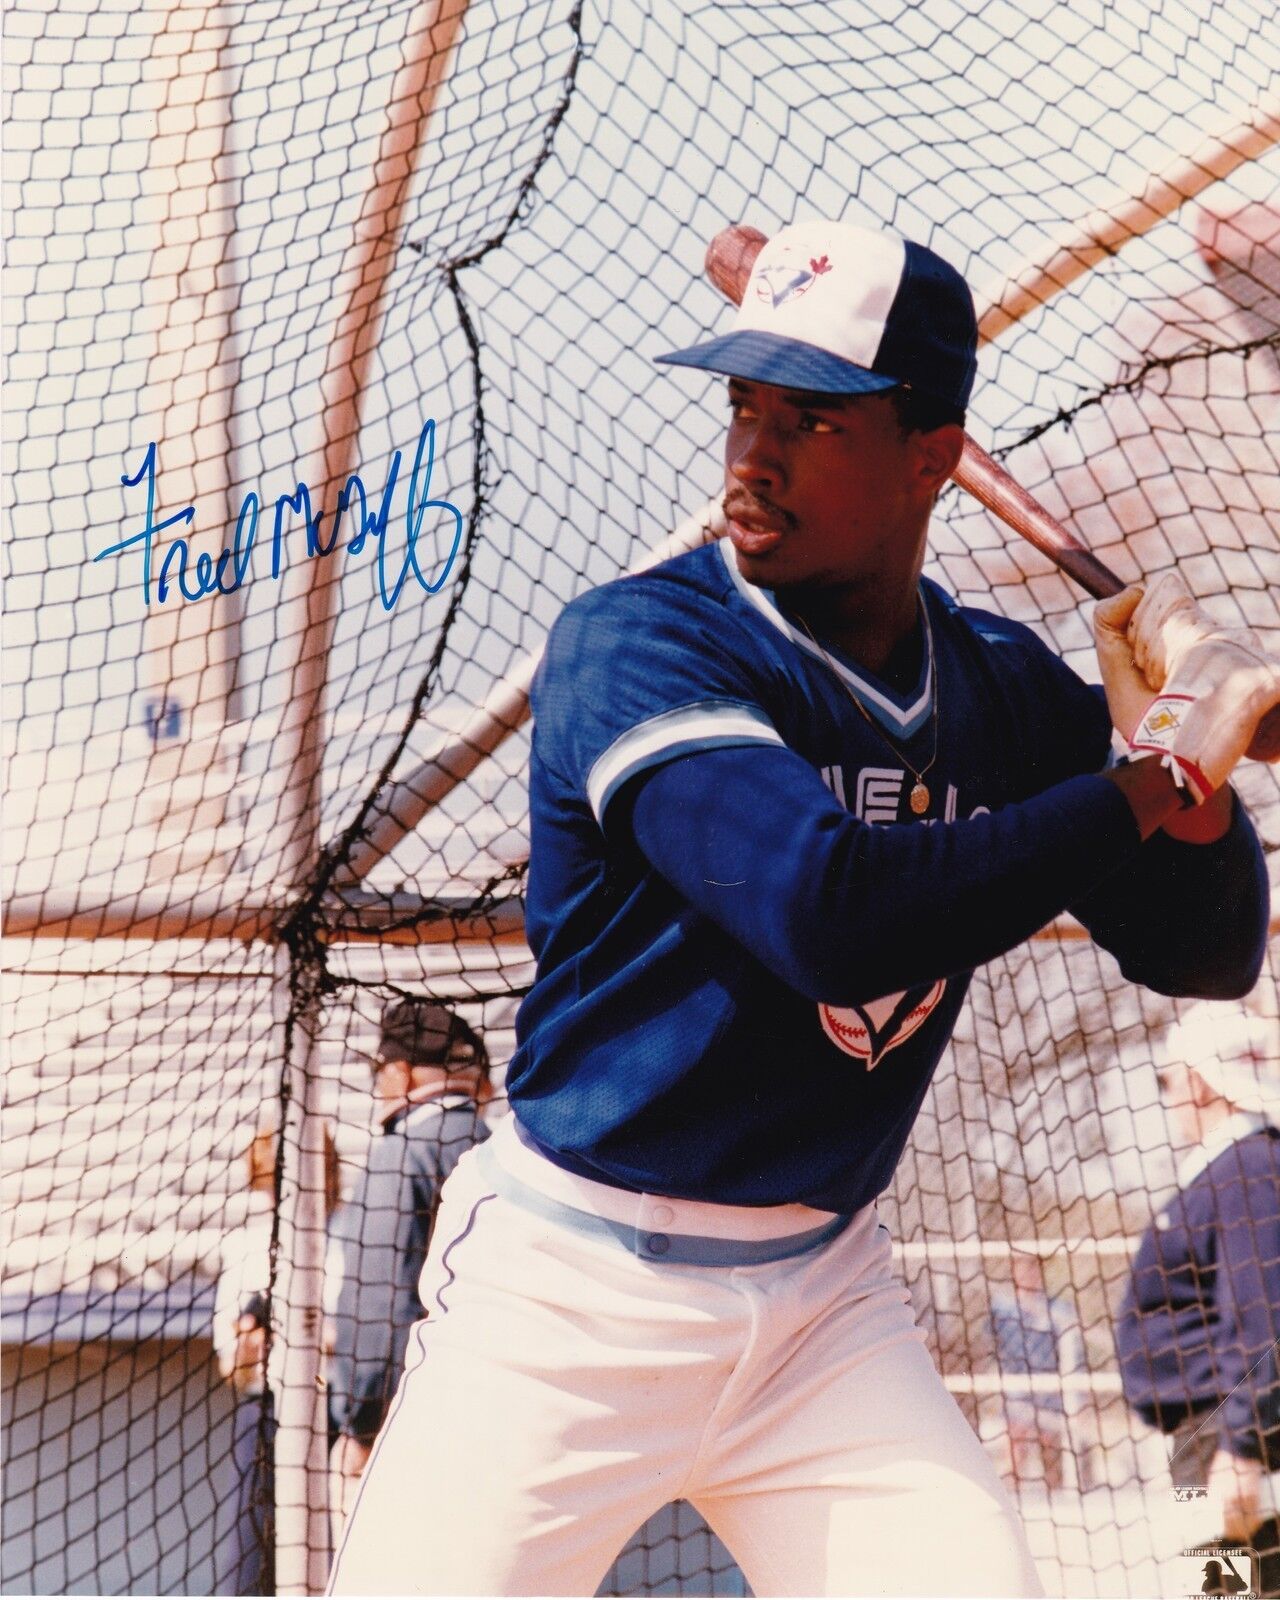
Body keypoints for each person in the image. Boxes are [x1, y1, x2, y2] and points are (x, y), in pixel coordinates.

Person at [329, 216, 1273, 1598]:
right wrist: (1151, 772)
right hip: (574, 1289)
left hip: (826, 1308)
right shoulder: (643, 642)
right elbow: (832, 912)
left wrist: (1192, 797)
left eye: (816, 421)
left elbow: (1210, 948)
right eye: (744, 405)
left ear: (933, 458)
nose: (753, 457)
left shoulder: (998, 687)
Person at [1117, 1004, 1280, 1596]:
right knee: (1214, 1587)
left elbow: (1264, 1315)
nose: (1169, 1095)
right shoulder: (1230, 1168)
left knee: (1234, 1590)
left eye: (1168, 1079)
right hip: (1201, 1438)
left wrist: (1245, 1450)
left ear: (1202, 1080)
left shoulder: (1247, 1168)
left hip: (1225, 1438)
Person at [327, 998, 491, 1539]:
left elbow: (377, 1300)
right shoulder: (506, 1151)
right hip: (503, 1418)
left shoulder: (400, 1154)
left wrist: (360, 1417)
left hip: (411, 1423)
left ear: (398, 1073)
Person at [212, 1117, 342, 1596]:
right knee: (248, 1559)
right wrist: (251, 1341)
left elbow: (366, 1337)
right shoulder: (246, 1244)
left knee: (337, 1556)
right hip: (264, 1413)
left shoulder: (350, 1234)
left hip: (338, 1412)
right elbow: (233, 1366)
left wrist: (306, 1334)